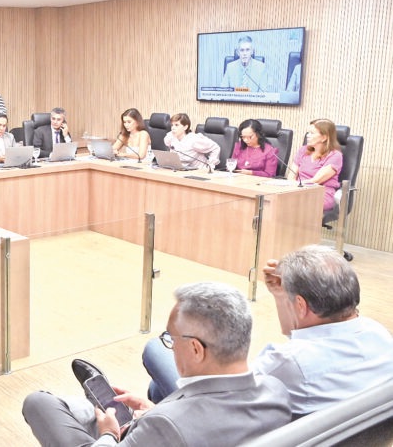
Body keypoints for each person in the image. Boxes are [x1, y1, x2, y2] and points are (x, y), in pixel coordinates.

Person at [22, 282, 291, 446]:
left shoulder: (167, 424)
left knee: (38, 402)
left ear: (196, 349)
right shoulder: (276, 391)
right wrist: (156, 411)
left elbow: (175, 427)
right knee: (106, 408)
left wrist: (108, 435)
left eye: (171, 339)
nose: (170, 347)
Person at [143, 245, 393, 418]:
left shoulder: (288, 364)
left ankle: (164, 413)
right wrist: (281, 295)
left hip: (217, 416)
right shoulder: (379, 334)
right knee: (158, 386)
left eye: (291, 299)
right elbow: (299, 330)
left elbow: (224, 395)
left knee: (156, 350)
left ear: (301, 305)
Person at [287, 118, 343, 211]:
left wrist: (296, 186)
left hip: (321, 193)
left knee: (294, 205)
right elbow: (292, 174)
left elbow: (316, 181)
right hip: (298, 190)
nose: (308, 136)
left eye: (312, 133)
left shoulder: (335, 155)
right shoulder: (303, 150)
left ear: (324, 137)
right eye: (308, 133)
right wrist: (291, 186)